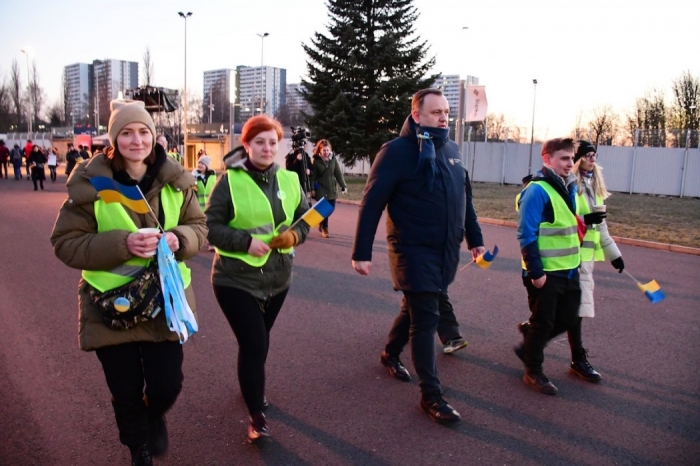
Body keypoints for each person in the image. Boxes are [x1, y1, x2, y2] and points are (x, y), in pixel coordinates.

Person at [50, 99, 208, 466]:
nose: (136, 141)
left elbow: (199, 228)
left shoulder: (176, 180)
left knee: (167, 385)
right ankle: (138, 449)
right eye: (126, 133)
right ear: (114, 139)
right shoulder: (91, 185)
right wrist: (123, 244)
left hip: (164, 303)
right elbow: (64, 243)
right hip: (110, 307)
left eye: (143, 132)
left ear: (154, 137)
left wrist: (178, 239)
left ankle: (153, 417)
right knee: (125, 392)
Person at [352, 88, 484, 424]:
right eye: (436, 112)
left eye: (446, 112)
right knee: (426, 318)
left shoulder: (451, 150)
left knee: (414, 309)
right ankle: (432, 396)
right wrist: (361, 252)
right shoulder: (397, 152)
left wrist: (476, 239)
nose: (443, 117)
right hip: (411, 250)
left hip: (444, 252)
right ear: (416, 115)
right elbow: (372, 202)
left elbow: (462, 199)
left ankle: (390, 352)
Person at [206, 115, 310, 443]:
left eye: (272, 143)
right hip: (235, 278)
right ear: (247, 145)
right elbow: (210, 226)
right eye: (260, 142)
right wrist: (245, 242)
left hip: (278, 278)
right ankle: (255, 414)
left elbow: (307, 219)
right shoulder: (229, 182)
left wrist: (295, 237)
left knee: (260, 341)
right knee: (253, 343)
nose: (267, 148)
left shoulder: (291, 180)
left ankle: (251, 387)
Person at [518, 140, 624, 383]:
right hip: (547, 270)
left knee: (567, 316)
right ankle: (535, 370)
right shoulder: (538, 189)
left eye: (571, 157)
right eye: (565, 158)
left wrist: (612, 253)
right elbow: (526, 233)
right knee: (548, 321)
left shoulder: (571, 186)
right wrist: (535, 270)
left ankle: (533, 340)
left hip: (571, 265)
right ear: (547, 159)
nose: (571, 162)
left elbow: (574, 224)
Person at [309, 139, 347, 238]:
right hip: (320, 188)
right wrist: (312, 188)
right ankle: (325, 229)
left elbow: (338, 173)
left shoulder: (333, 159)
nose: (326, 152)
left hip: (331, 188)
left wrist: (343, 186)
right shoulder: (315, 161)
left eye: (327, 150)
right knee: (325, 209)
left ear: (330, 150)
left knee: (331, 208)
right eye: (324, 150)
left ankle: (320, 220)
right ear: (320, 151)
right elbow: (312, 176)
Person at [192, 154, 217, 251]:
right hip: (198, 206)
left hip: (211, 206)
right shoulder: (194, 177)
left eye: (202, 163)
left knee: (211, 225)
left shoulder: (212, 176)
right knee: (200, 226)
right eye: (199, 163)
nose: (200, 165)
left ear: (207, 166)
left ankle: (212, 243)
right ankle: (198, 242)